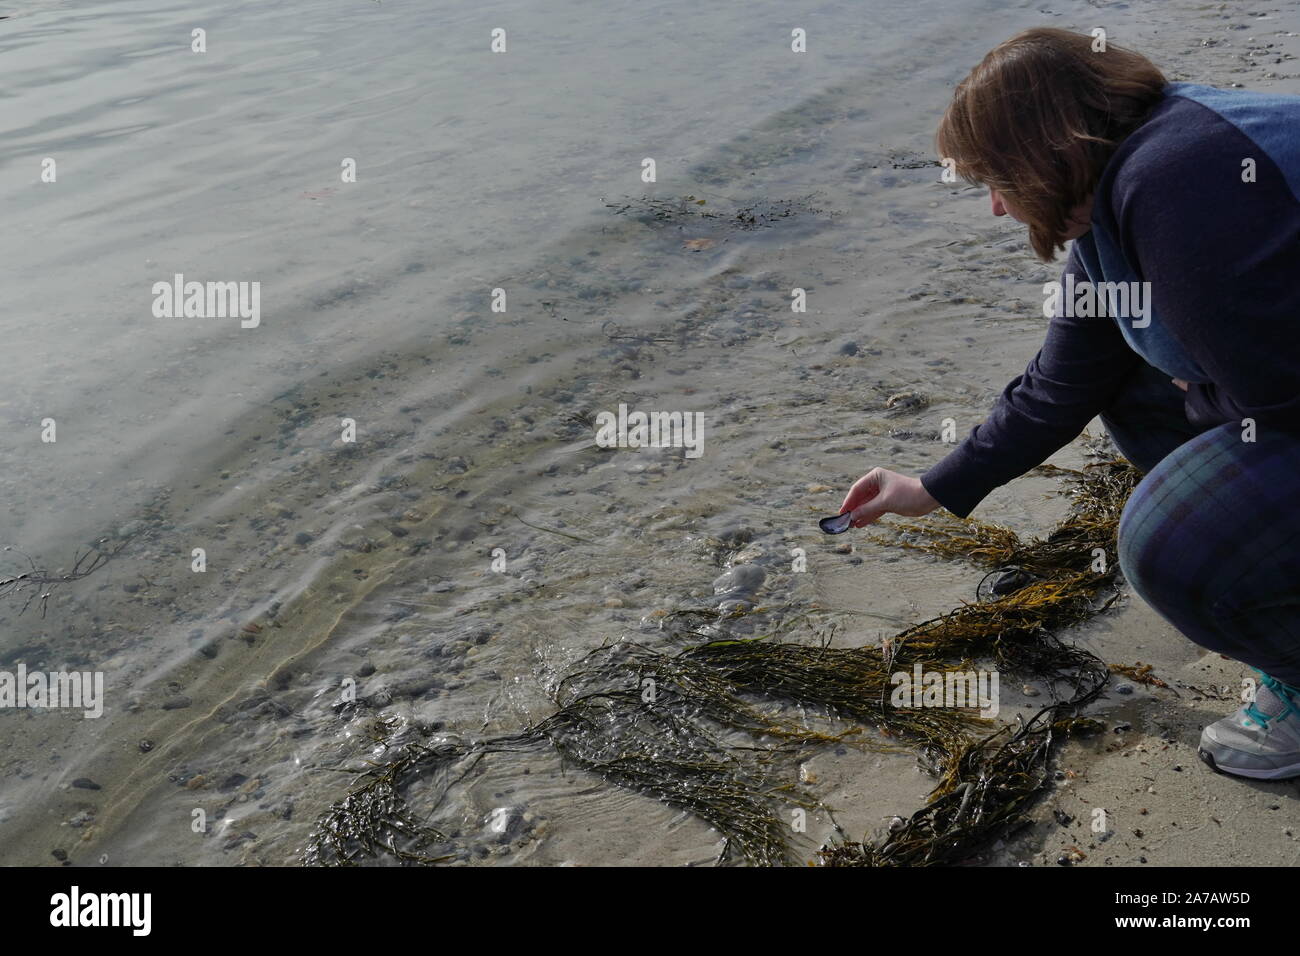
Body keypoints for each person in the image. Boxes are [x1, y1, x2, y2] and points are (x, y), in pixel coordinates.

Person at [838, 27, 1300, 780]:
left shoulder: (1179, 181)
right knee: (1131, 382)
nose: (994, 208)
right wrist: (930, 487)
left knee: (1165, 543)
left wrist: (1210, 398)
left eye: (996, 179)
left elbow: (1282, 401)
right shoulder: (1122, 190)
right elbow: (1063, 382)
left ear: (1042, 153)